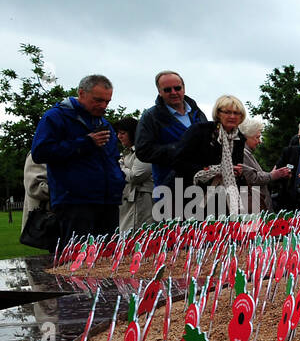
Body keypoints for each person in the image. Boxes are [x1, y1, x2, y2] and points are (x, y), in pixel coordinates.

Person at [30, 74, 124, 245]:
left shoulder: (103, 123)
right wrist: (86, 142)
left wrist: (118, 181)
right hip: (75, 203)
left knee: (109, 261)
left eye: (107, 101)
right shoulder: (56, 117)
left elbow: (113, 158)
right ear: (81, 93)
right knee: (77, 262)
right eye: (98, 100)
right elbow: (40, 152)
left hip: (108, 201)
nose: (103, 106)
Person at [134, 70, 207, 215]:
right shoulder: (151, 117)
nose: (173, 92)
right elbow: (143, 151)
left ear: (184, 88)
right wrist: (178, 149)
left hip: (201, 187)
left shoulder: (197, 113)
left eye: (177, 88)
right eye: (167, 90)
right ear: (159, 92)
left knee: (203, 234)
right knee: (175, 236)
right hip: (169, 189)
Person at [175, 95, 249, 217]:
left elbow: (234, 165)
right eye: (227, 112)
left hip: (224, 197)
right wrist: (211, 170)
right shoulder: (200, 130)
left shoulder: (239, 138)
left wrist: (237, 171)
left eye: (236, 113)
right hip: (194, 193)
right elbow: (178, 161)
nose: (232, 116)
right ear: (218, 113)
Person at [115, 117, 153, 234]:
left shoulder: (145, 150)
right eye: (118, 133)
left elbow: (136, 176)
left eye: (123, 133)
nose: (119, 136)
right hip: (129, 200)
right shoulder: (127, 153)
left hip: (142, 200)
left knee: (139, 236)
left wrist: (120, 166)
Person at [238, 117, 282, 213]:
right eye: (257, 137)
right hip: (254, 209)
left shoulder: (245, 153)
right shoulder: (242, 153)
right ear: (245, 137)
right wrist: (273, 175)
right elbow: (253, 178)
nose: (260, 141)